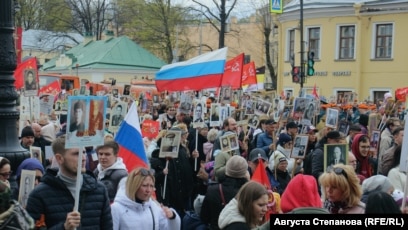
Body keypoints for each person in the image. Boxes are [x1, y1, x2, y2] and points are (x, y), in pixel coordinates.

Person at [26, 135, 113, 229]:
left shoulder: (99, 190)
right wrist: (64, 227)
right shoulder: (39, 195)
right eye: (76, 153)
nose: (83, 158)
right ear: (59, 158)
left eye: (83, 152)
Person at [111, 168, 181, 229]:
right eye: (144, 185)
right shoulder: (116, 209)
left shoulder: (154, 207)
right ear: (134, 186)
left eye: (151, 186)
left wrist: (172, 217)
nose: (148, 190)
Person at [200, 155, 249, 230]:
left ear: (227, 170)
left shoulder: (212, 190)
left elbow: (204, 217)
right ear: (245, 173)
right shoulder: (248, 193)